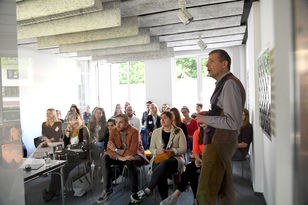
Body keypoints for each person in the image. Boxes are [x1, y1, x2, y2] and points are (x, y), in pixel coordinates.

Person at [196, 49, 246, 205]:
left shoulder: (229, 83)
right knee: (225, 190)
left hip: (219, 142)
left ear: (224, 64)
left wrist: (206, 118)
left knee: (205, 192)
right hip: (221, 141)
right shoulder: (225, 83)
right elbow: (223, 112)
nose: (207, 64)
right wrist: (208, 115)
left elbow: (233, 122)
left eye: (212, 61)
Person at [130, 111, 187, 203]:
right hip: (159, 158)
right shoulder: (156, 132)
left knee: (164, 163)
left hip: (175, 159)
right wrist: (157, 151)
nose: (162, 120)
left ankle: (148, 190)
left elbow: (183, 149)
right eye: (161, 118)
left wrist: (173, 151)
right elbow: (151, 148)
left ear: (171, 119)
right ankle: (165, 200)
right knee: (161, 169)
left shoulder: (178, 131)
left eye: (165, 118)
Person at [96, 114, 148, 204]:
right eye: (116, 122)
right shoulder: (113, 131)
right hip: (121, 156)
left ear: (127, 123)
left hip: (137, 155)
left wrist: (116, 150)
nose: (118, 125)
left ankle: (134, 193)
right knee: (105, 158)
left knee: (129, 161)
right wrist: (120, 157)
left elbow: (132, 153)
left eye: (120, 122)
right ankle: (107, 189)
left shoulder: (134, 131)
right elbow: (109, 150)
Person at [42, 110, 90, 202]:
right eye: (68, 119)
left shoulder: (83, 129)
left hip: (80, 156)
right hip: (70, 155)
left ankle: (52, 193)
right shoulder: (70, 129)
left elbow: (84, 145)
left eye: (71, 119)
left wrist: (70, 146)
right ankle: (54, 191)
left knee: (63, 168)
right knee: (56, 167)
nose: (69, 121)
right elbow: (65, 144)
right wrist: (67, 134)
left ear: (77, 119)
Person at [160, 123, 206, 205]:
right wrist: (198, 159)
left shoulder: (216, 134)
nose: (202, 125)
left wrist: (202, 159)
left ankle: (175, 196)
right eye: (201, 124)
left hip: (213, 162)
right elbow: (195, 150)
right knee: (190, 170)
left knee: (189, 170)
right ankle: (196, 199)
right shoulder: (198, 132)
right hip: (202, 160)